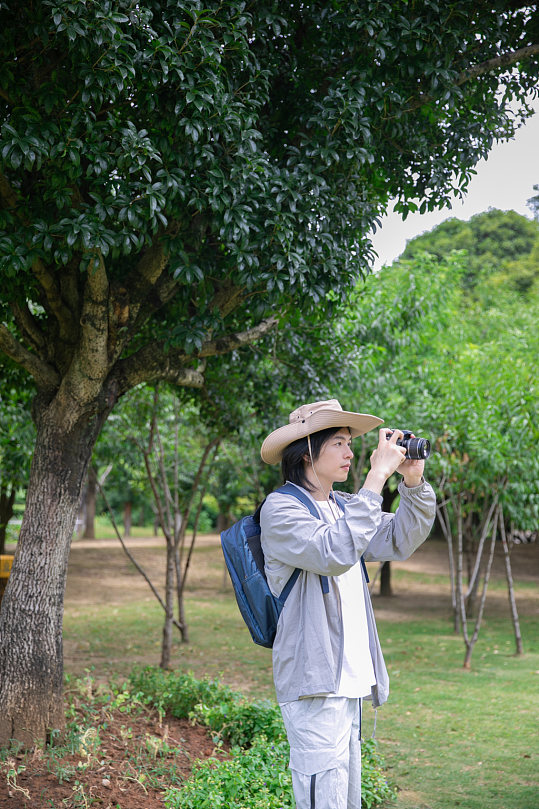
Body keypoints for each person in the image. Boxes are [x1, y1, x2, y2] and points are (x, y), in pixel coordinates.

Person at [259, 399, 436, 809]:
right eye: (338, 442)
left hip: (349, 680)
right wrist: (376, 478)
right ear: (307, 451)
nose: (350, 453)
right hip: (315, 681)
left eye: (350, 443)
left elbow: (401, 538)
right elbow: (334, 551)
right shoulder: (281, 508)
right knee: (323, 798)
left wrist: (411, 482)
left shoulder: (342, 506)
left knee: (345, 798)